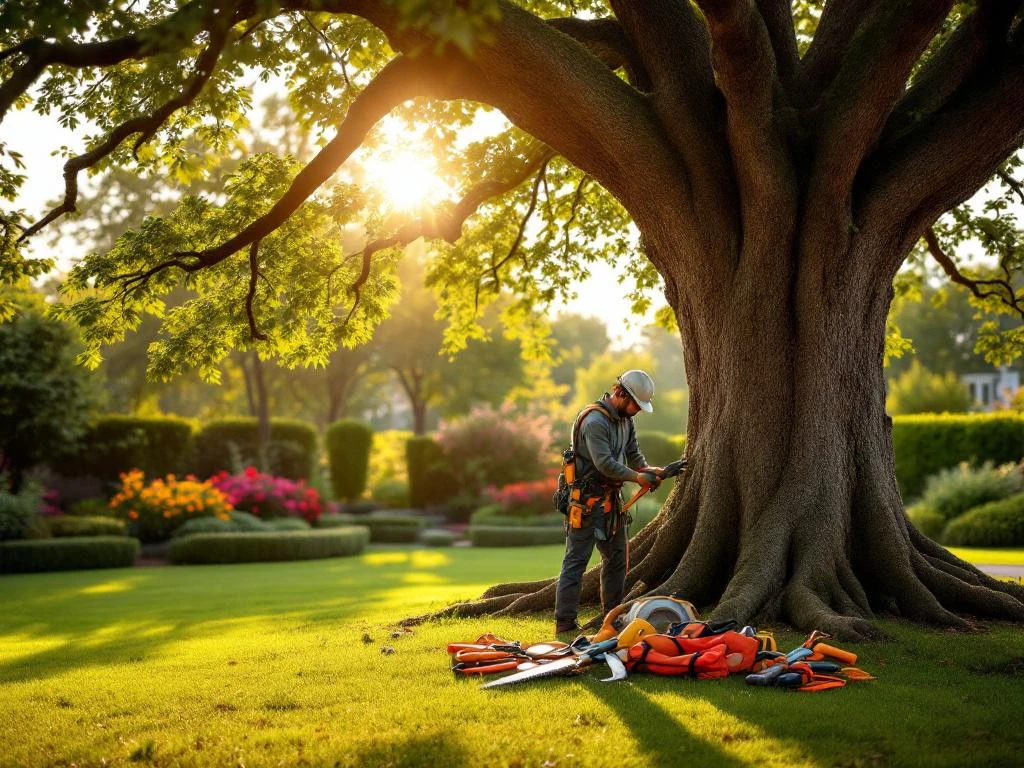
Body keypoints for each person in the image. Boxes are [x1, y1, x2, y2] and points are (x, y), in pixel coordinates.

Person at [554, 369, 663, 635]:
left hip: (610, 502)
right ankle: (565, 624)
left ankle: (611, 618)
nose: (637, 410)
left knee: (616, 559)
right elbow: (604, 464)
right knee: (576, 562)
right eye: (635, 404)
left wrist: (649, 470)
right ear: (620, 393)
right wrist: (638, 477)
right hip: (586, 502)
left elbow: (633, 453)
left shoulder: (626, 420)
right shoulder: (594, 421)